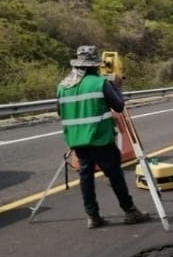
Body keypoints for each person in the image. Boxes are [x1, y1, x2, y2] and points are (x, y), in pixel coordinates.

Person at [56, 45, 150, 229]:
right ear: (94, 65)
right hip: (100, 139)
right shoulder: (100, 83)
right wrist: (116, 86)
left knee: (86, 176)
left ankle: (93, 216)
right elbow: (119, 106)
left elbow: (61, 112)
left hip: (77, 141)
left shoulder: (63, 87)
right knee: (114, 174)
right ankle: (130, 211)